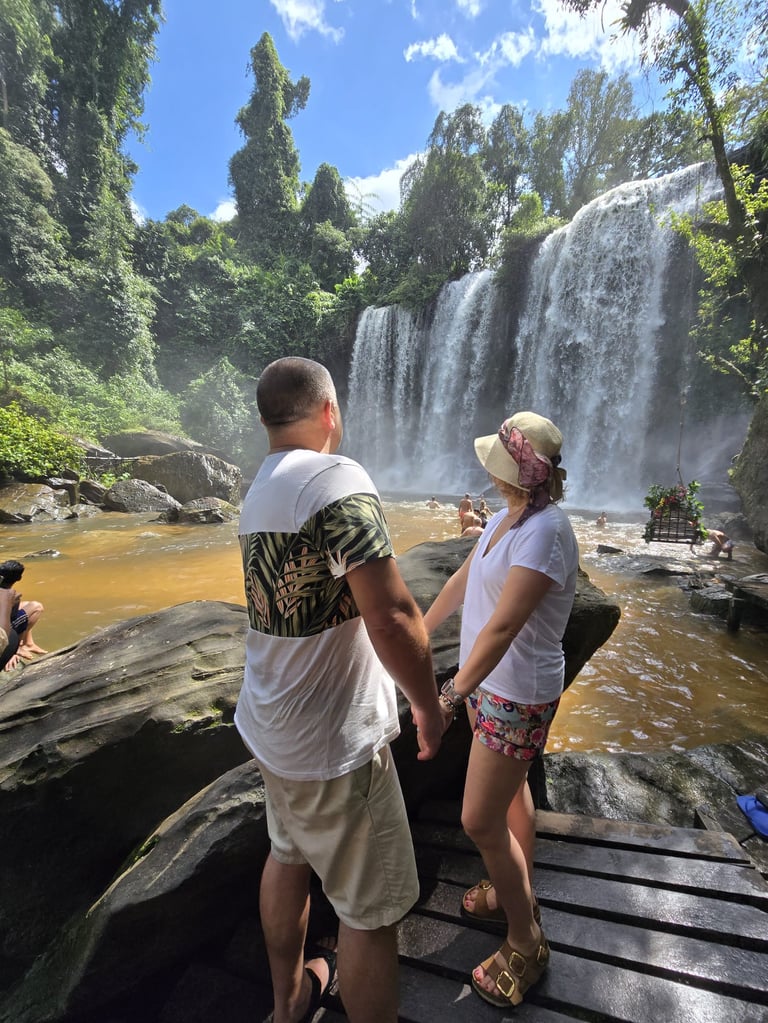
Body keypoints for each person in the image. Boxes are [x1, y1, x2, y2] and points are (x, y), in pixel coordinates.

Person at [235, 357, 447, 1023]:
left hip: (270, 726)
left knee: (287, 854)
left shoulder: (259, 488)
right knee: (370, 912)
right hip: (332, 745)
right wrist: (428, 705)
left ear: (267, 420)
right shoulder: (335, 477)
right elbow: (391, 615)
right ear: (330, 411)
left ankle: (289, 1002)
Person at [423, 411, 579, 1010]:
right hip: (490, 687)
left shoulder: (547, 532)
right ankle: (519, 889)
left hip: (517, 693)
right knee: (512, 797)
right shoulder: (505, 517)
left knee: (479, 820)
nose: (486, 470)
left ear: (517, 472)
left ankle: (526, 940)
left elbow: (506, 626)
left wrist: (448, 694)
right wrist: (419, 632)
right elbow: (463, 580)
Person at [0, 560, 46, 670]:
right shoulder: (10, 595)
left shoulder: (8, 593)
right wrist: (12, 651)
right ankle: (20, 647)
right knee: (36, 607)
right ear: (19, 578)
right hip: (5, 630)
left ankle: (28, 643)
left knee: (24, 606)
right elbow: (10, 624)